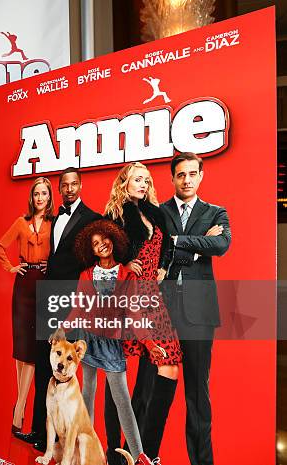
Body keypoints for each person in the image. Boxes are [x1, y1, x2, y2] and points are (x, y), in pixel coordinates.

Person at [14, 167, 101, 451]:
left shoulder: (91, 219)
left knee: (63, 374)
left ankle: (65, 441)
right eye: (65, 185)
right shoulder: (51, 218)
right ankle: (40, 434)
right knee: (43, 368)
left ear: (80, 186)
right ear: (60, 188)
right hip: (44, 298)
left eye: (74, 184)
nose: (70, 189)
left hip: (68, 300)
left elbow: (104, 251)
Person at [103, 162, 182, 463]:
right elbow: (101, 253)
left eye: (147, 180)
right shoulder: (116, 214)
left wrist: (163, 267)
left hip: (151, 295)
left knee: (167, 362)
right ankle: (114, 452)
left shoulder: (156, 213)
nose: (144, 184)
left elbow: (168, 247)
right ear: (124, 182)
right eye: (138, 179)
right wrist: (123, 266)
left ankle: (144, 451)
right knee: (116, 377)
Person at [160, 152, 231, 465]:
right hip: (160, 311)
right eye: (181, 174)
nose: (186, 180)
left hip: (199, 313)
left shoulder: (216, 212)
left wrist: (178, 241)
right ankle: (141, 456)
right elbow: (156, 251)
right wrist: (197, 245)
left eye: (192, 174)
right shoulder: (158, 212)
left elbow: (221, 245)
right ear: (173, 178)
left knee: (197, 395)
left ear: (201, 176)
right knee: (151, 391)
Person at [71, 219, 159, 463]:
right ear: (91, 250)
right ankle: (85, 447)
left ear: (113, 239)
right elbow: (78, 309)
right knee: (88, 391)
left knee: (122, 401)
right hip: (88, 339)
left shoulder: (127, 275)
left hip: (111, 344)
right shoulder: (86, 275)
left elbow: (134, 313)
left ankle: (139, 455)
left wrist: (150, 344)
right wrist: (61, 329)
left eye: (104, 239)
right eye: (95, 243)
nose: (102, 245)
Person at [0, 177, 53, 434]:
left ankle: (19, 410)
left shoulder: (55, 223)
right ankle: (19, 408)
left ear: (50, 197)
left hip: (43, 284)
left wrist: (51, 266)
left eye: (44, 194)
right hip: (23, 283)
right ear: (32, 198)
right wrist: (10, 267)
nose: (40, 198)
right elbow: (0, 245)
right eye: (36, 194)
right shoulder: (21, 222)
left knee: (31, 351)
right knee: (21, 349)